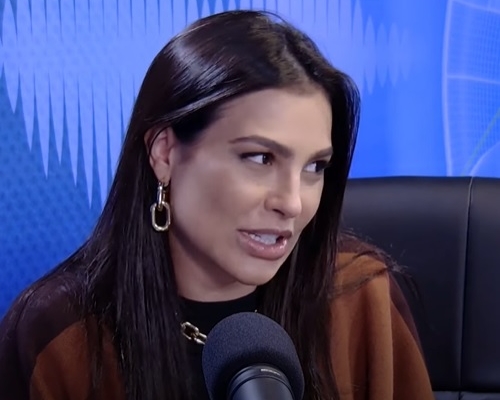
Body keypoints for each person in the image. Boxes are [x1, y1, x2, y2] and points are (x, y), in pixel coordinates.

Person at [0, 10, 434, 400]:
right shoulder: (59, 334)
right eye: (260, 158)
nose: (292, 202)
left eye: (314, 167)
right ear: (165, 153)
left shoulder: (362, 299)